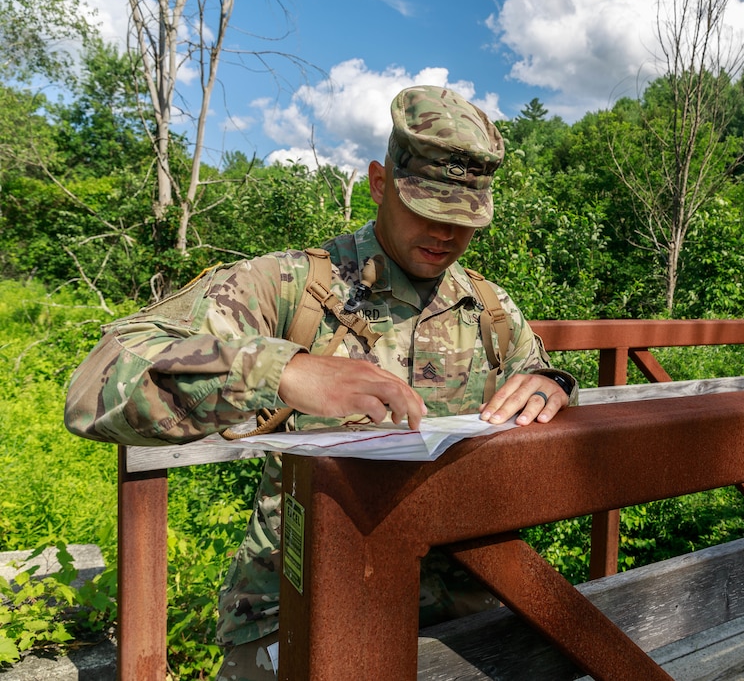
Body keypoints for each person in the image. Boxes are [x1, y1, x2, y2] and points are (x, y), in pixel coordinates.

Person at [64, 85, 578, 680]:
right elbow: (94, 386)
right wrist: (281, 369)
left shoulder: (484, 304)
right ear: (380, 183)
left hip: (462, 606)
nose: (445, 235)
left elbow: (537, 370)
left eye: (464, 221)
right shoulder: (289, 287)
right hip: (295, 610)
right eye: (427, 211)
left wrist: (553, 380)